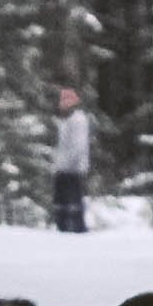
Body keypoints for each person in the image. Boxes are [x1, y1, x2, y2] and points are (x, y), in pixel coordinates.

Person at [52, 86, 90, 233]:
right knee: (61, 200)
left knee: (72, 199)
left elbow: (78, 145)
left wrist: (69, 162)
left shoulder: (78, 120)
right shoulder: (66, 120)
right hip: (63, 167)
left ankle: (76, 227)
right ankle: (63, 226)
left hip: (72, 168)